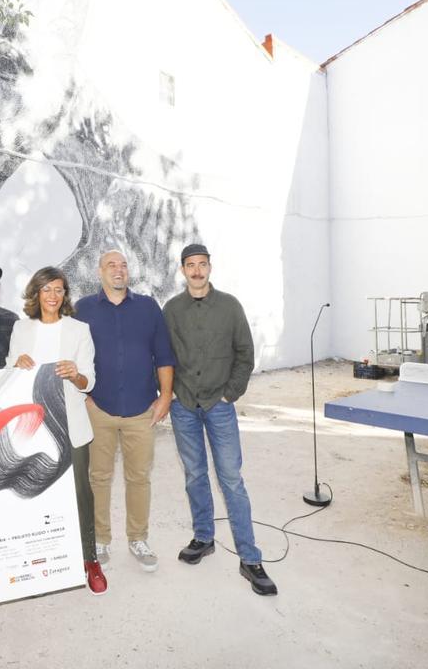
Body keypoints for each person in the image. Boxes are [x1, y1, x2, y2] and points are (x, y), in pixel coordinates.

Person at [161, 244, 277, 595]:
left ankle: (250, 557)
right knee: (195, 473)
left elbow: (245, 353)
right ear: (183, 270)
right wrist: (171, 392)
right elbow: (162, 354)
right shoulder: (172, 309)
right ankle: (203, 537)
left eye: (202, 265)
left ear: (210, 267)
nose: (197, 271)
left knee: (231, 478)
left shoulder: (229, 306)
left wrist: (231, 393)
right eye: (190, 265)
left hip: (219, 405)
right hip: (184, 406)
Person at [7, 266, 108, 595]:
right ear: (35, 293)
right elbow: (9, 373)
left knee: (80, 494)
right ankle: (41, 564)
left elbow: (89, 380)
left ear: (65, 295)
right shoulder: (21, 329)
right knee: (34, 491)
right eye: (46, 289)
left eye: (59, 290)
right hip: (32, 427)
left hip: (71, 425)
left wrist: (76, 374)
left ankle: (89, 559)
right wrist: (15, 365)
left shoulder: (79, 329)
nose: (53, 295)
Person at [74, 250, 176, 572]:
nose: (118, 270)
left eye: (123, 265)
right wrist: (84, 398)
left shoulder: (147, 308)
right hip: (99, 409)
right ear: (99, 272)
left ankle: (138, 538)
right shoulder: (83, 309)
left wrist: (166, 397)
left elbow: (164, 355)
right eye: (111, 265)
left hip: (141, 410)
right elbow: (74, 357)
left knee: (139, 477)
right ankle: (100, 538)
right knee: (99, 477)